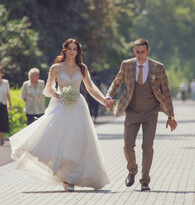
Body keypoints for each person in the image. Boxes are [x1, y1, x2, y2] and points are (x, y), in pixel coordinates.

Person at [9, 38, 110, 191]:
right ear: (65, 50)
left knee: (77, 141)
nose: (71, 51)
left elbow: (91, 88)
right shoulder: (56, 68)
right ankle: (66, 177)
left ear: (78, 52)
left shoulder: (82, 68)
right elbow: (48, 89)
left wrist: (104, 100)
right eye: (69, 48)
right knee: (59, 140)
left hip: (78, 107)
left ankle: (73, 177)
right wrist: (58, 95)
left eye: (74, 49)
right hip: (61, 106)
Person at [105, 38, 178, 191]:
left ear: (147, 52)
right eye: (137, 52)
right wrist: (109, 96)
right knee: (128, 146)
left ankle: (145, 180)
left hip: (151, 112)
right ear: (134, 52)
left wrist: (171, 116)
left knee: (147, 146)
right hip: (131, 111)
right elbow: (117, 82)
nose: (139, 55)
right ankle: (132, 170)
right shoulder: (127, 65)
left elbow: (166, 92)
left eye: (142, 52)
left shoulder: (158, 68)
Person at [0, 66, 12, 145]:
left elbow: (8, 94)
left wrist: (10, 104)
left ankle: (1, 138)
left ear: (2, 74)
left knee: (2, 122)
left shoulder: (5, 82)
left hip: (3, 104)